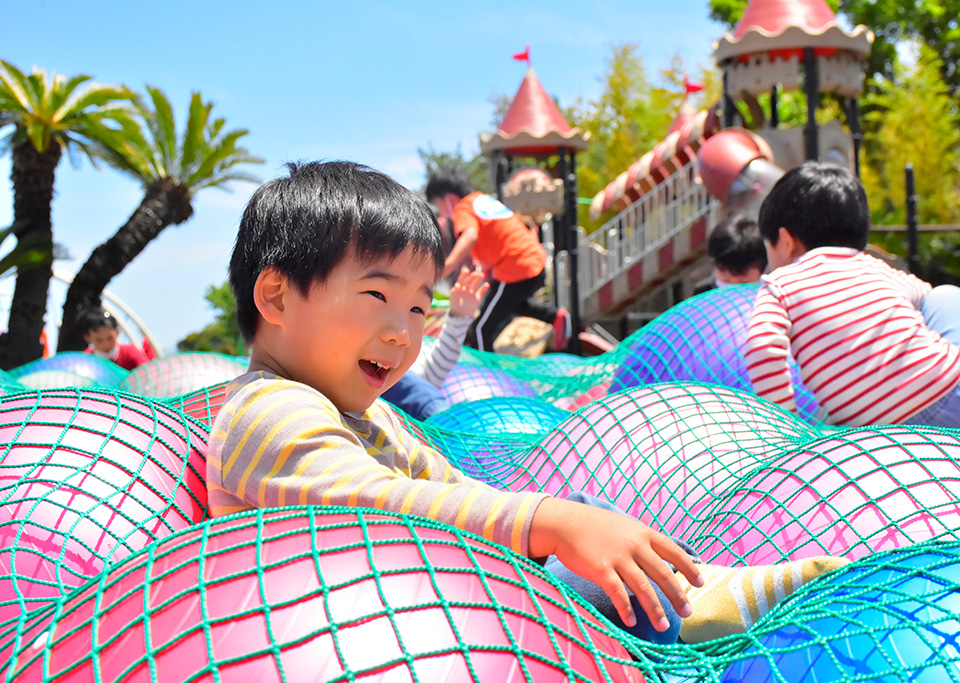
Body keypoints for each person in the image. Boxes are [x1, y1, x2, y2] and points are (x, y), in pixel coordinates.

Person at [209, 160, 846, 646]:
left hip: (413, 609)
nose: (402, 334)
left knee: (579, 524)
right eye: (378, 297)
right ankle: (680, 605)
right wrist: (550, 522)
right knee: (562, 534)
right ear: (277, 297)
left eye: (416, 307)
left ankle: (692, 585)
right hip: (352, 635)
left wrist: (562, 520)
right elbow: (384, 504)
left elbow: (446, 482)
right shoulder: (270, 410)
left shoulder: (364, 413)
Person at [743, 161, 960, 429]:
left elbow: (762, 347)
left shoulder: (780, 283)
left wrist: (790, 429)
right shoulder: (875, 267)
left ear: (786, 240)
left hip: (871, 436)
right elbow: (925, 295)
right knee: (948, 295)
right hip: (954, 400)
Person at [425, 166, 571, 352]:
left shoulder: (463, 209)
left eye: (438, 206)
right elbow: (495, 242)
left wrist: (446, 266)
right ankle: (556, 317)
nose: (442, 213)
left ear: (449, 199)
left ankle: (488, 375)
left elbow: (470, 236)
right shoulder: (482, 200)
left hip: (516, 268)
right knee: (512, 304)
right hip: (533, 263)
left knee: (480, 328)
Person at [381, 265, 488, 419]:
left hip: (425, 405)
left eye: (417, 309)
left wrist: (459, 317)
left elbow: (436, 369)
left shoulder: (416, 357)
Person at [694, 215, 768, 295]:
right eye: (726, 281)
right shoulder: (703, 294)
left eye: (744, 283)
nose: (734, 291)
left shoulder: (773, 294)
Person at [80, 308, 155, 371]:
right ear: (87, 338)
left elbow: (148, 375)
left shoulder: (130, 353)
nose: (105, 345)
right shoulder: (85, 361)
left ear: (118, 332)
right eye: (99, 340)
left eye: (110, 338)